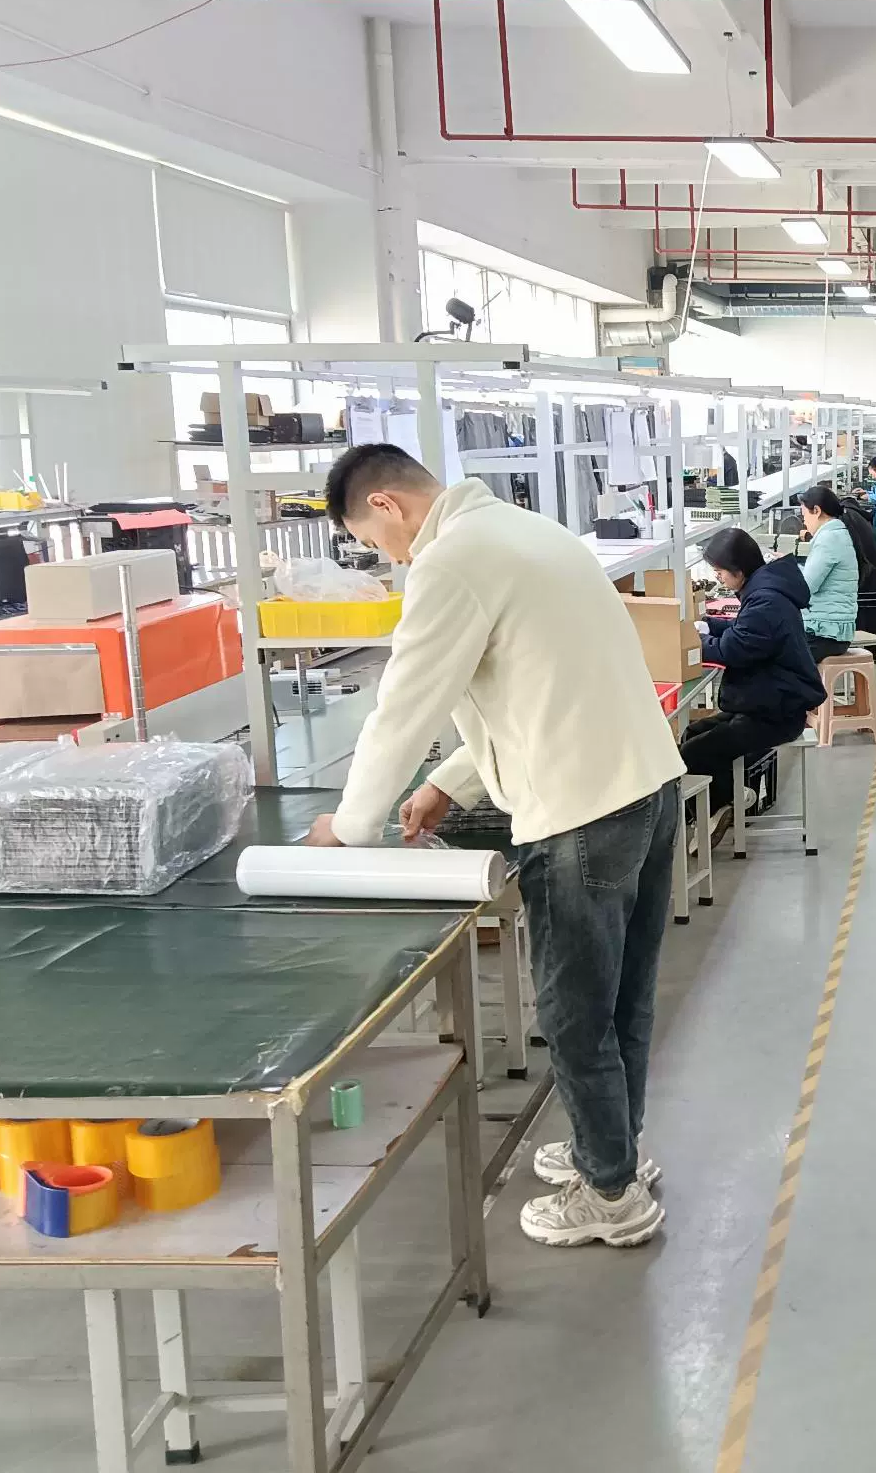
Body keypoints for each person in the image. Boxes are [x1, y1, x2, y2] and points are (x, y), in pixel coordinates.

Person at [305, 445, 682, 1251]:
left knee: (574, 1013)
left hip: (582, 814)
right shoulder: (530, 532)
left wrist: (349, 827)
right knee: (622, 1000)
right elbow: (540, 688)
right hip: (648, 789)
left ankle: (610, 1194)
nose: (388, 559)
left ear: (387, 505)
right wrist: (450, 781)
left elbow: (404, 706)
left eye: (373, 542)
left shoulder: (451, 561)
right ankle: (613, 1147)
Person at [683, 528, 826, 809]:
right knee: (692, 735)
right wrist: (710, 626)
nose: (718, 577)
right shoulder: (765, 588)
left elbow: (731, 650)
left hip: (777, 713)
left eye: (720, 571)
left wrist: (697, 642)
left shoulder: (765, 601)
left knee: (694, 752)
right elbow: (745, 630)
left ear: (738, 570)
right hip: (768, 700)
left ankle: (730, 804)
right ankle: (727, 803)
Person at [797, 485, 859, 661]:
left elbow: (806, 588)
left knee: (773, 657)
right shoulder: (836, 534)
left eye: (804, 516)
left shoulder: (828, 539)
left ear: (816, 511)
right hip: (832, 629)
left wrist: (784, 569)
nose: (804, 522)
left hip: (825, 634)